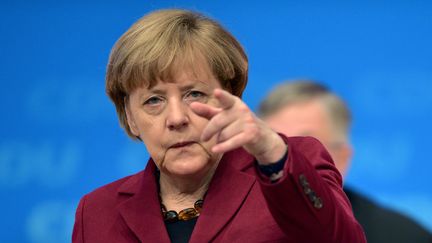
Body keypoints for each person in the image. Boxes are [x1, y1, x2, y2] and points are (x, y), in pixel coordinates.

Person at [72, 9, 366, 243]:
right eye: (153, 100)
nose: (176, 118)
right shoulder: (97, 212)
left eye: (194, 94)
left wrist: (272, 152)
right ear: (130, 117)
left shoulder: (289, 167)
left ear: (229, 98)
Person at [259, 80, 432, 243]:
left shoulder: (404, 237)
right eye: (272, 146)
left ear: (342, 159)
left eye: (305, 147)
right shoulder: (236, 224)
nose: (284, 161)